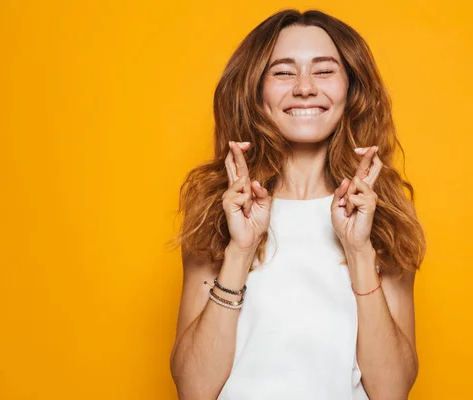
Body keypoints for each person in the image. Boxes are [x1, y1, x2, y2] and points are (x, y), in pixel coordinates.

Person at [169, 8, 427, 400]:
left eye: (324, 71)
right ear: (255, 90)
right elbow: (193, 389)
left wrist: (359, 251)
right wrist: (240, 251)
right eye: (284, 72)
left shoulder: (382, 213)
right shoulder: (218, 209)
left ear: (350, 89)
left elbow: (392, 392)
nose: (305, 87)